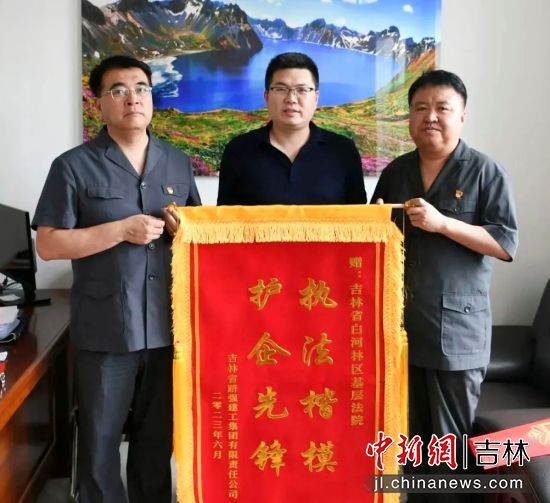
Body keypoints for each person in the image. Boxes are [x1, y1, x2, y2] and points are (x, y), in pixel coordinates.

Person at [32, 55, 201, 503]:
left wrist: (182, 229)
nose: (133, 99)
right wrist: (120, 230)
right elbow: (48, 244)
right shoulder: (73, 166)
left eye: (141, 88)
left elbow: (198, 238)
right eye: (119, 90)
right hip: (106, 330)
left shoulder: (178, 163)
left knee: (155, 444)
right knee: (100, 446)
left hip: (166, 330)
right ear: (99, 103)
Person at [371, 70, 518, 500]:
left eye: (442, 108)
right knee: (408, 440)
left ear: (462, 116)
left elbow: (504, 244)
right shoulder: (396, 172)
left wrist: (443, 223)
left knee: (449, 446)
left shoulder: (486, 171)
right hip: (402, 329)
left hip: (457, 332)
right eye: (420, 108)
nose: (430, 117)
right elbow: (380, 235)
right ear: (410, 118)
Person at [217, 52, 367, 205]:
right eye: (281, 89)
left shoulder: (343, 151)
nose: (291, 99)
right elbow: (223, 218)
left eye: (302, 90)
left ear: (316, 98)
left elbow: (361, 216)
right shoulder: (238, 150)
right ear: (266, 96)